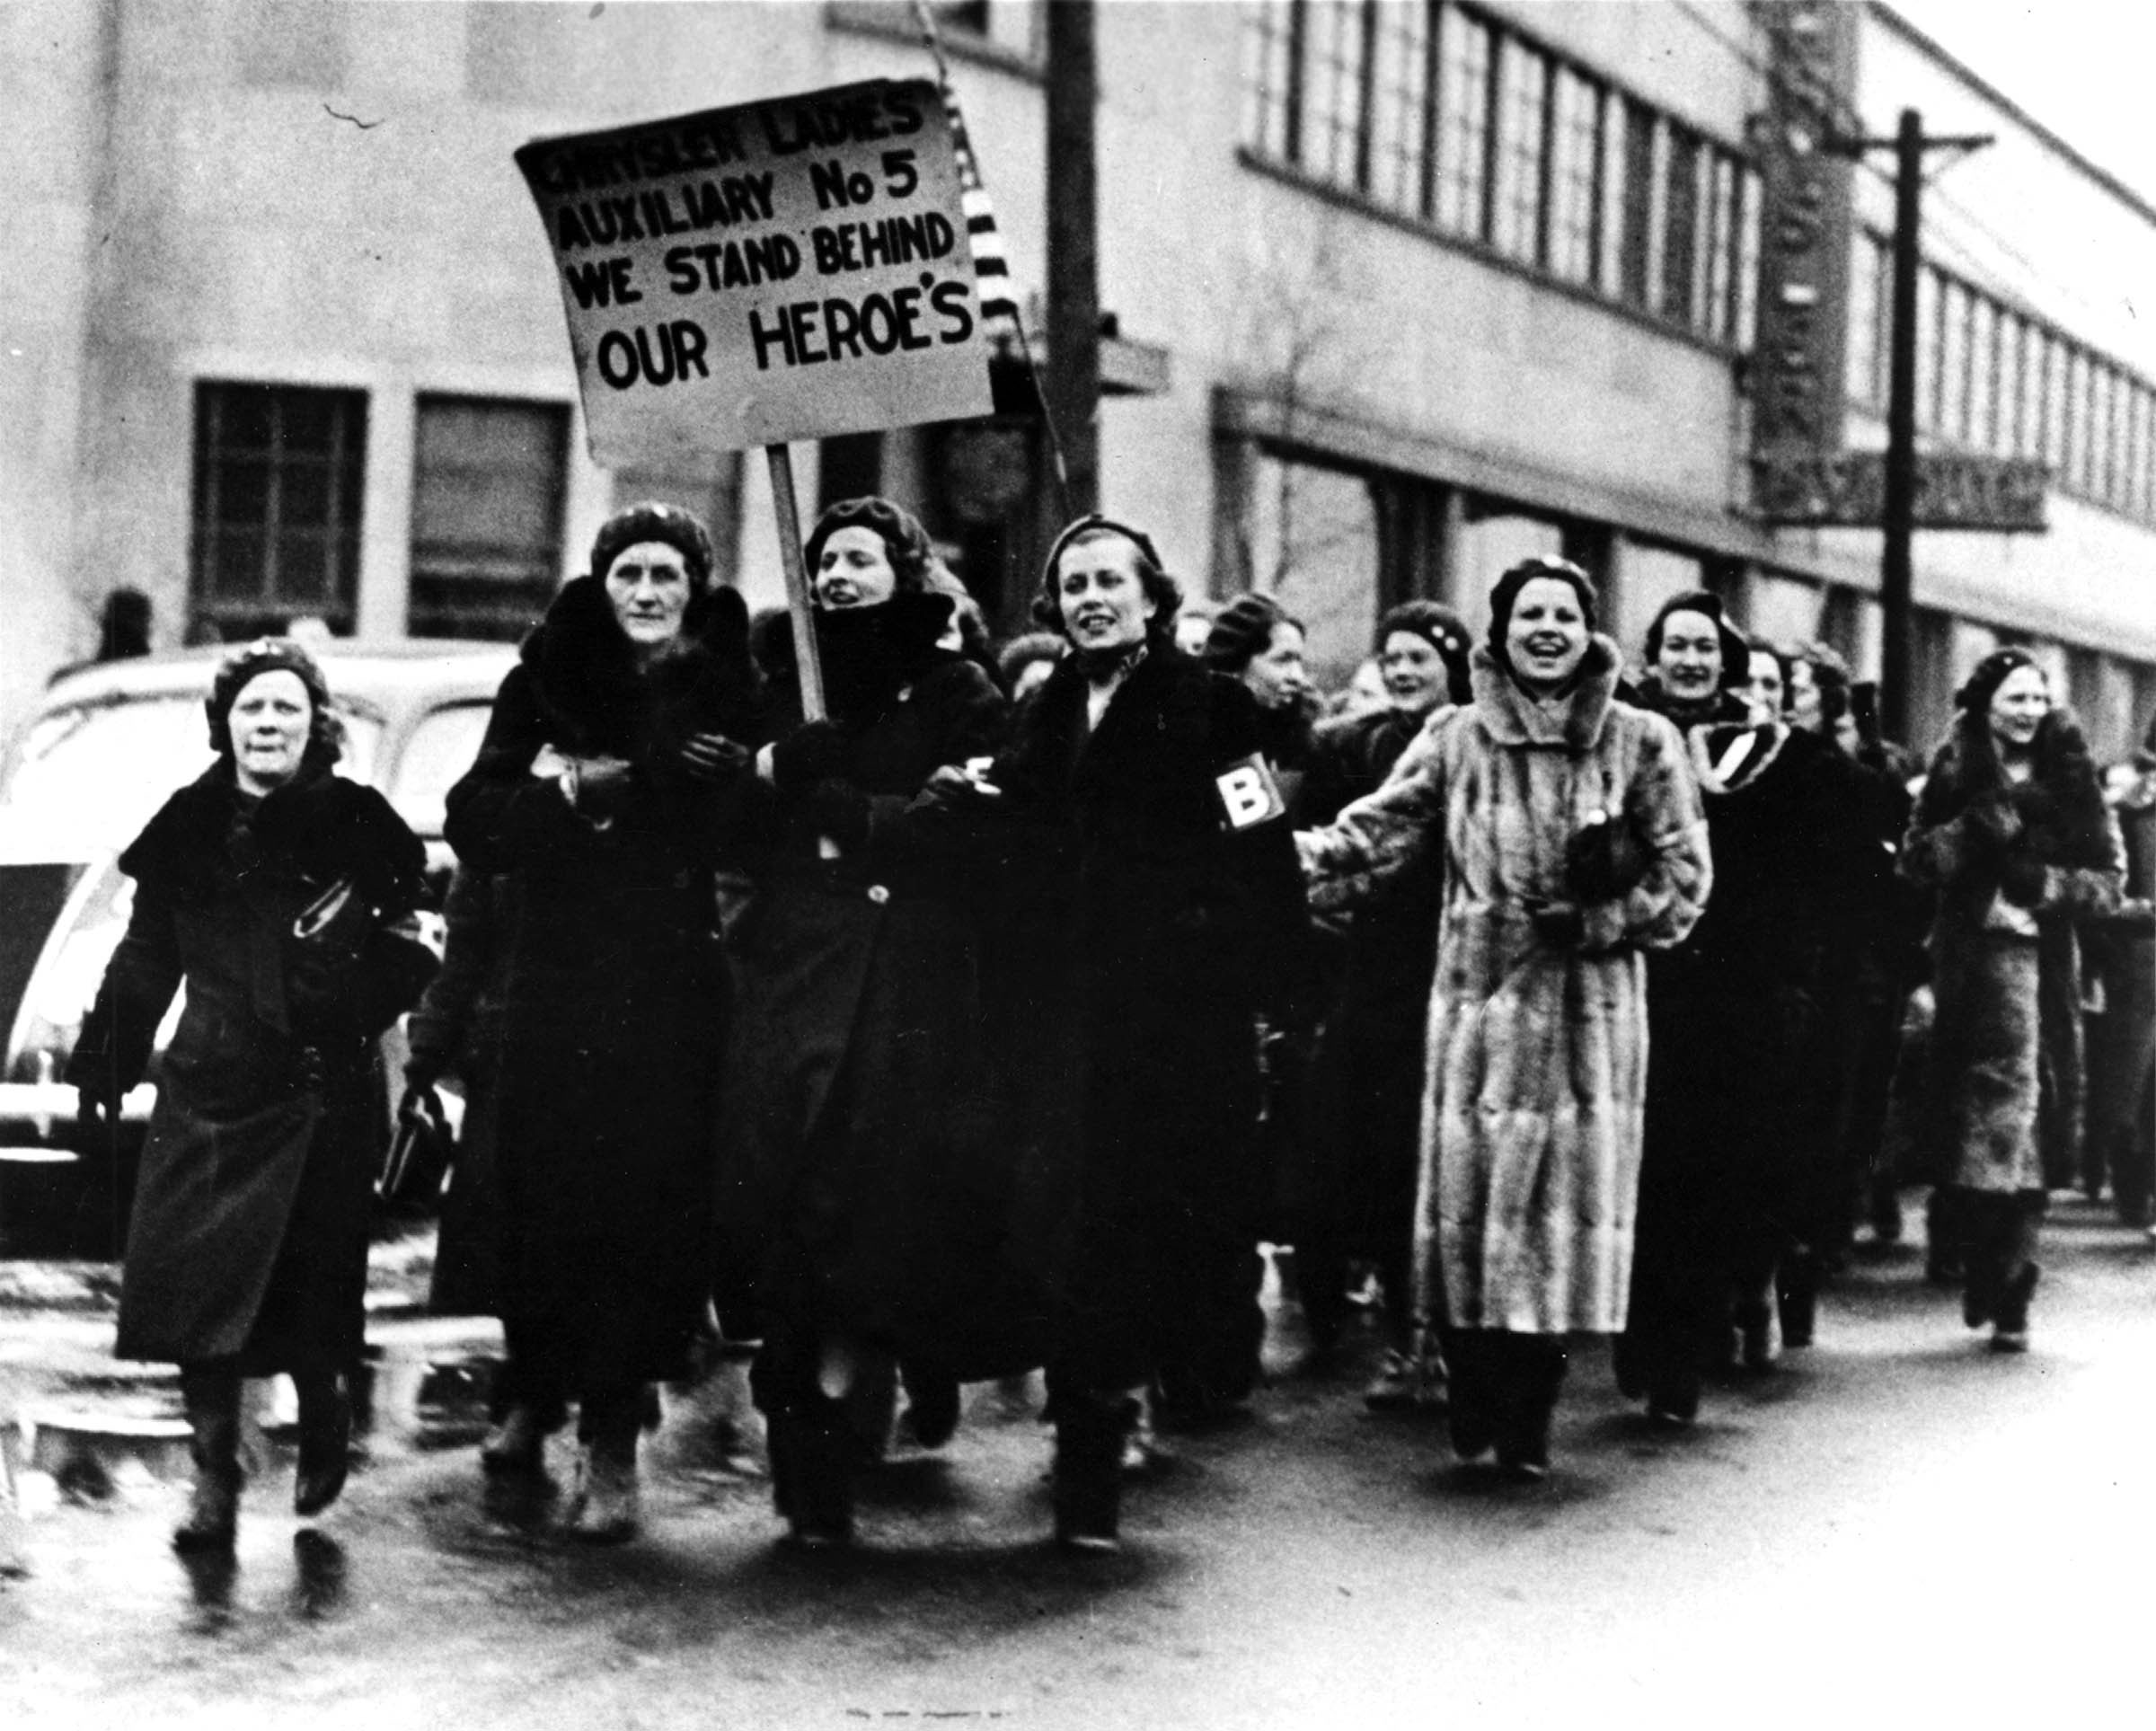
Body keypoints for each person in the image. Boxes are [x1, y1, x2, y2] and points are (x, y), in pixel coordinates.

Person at [921, 514, 1311, 1550]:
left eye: (1111, 580)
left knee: (1142, 1229)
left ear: (1152, 595)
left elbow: (1260, 845)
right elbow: (1017, 832)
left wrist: (1251, 975)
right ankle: (1091, 1425)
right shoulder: (1041, 707)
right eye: (1073, 582)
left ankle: (1105, 1419)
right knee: (1069, 1227)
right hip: (1056, 1020)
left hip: (1172, 1026)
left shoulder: (1215, 707)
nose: (1092, 596)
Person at [1298, 557, 1710, 1479]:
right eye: (1530, 615)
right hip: (1476, 1020)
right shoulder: (1455, 737)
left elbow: (1685, 881)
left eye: (1565, 614)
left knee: (1554, 1232)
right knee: (1467, 1217)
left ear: (1591, 628)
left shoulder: (1641, 740)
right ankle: (1473, 1377)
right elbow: (1382, 827)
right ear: (1502, 629)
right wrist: (1281, 857)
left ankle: (1530, 1411)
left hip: (1584, 1025)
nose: (1548, 629)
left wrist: (1604, 919)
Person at [67, 638, 434, 1553]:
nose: (268, 724)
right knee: (195, 1291)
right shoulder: (187, 824)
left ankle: (326, 1403)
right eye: (252, 709)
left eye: (287, 709)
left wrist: (344, 993)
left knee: (311, 1287)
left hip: (323, 1088)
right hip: (210, 1083)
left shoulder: (359, 820)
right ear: (225, 723)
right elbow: (147, 952)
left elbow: (415, 943)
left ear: (316, 726)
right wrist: (105, 1060)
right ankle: (214, 1476)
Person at [444, 501, 762, 1542]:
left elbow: (769, 828)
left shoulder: (731, 687)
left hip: (668, 990)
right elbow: (474, 815)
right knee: (547, 1206)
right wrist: (573, 791)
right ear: (601, 579)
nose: (647, 593)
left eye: (667, 574)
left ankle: (612, 1445)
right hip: (555, 983)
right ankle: (536, 1387)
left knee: (644, 1217)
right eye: (629, 573)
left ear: (695, 586)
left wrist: (744, 784)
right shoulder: (545, 678)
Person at [714, 496, 1008, 1550]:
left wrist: (862, 816)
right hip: (792, 976)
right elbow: (723, 821)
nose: (839, 574)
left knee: (864, 1207)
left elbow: (982, 820)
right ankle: (799, 1421)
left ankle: (836, 1422)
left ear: (905, 569)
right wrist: (779, 768)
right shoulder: (776, 684)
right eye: (824, 558)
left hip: (905, 987)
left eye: (861, 558)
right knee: (786, 1201)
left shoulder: (957, 686)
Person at [1618, 622, 1860, 1424]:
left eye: (1706, 648)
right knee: (1642, 1170)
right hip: (1637, 975)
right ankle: (1644, 1331)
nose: (1691, 660)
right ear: (1652, 658)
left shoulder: (1771, 756)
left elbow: (1833, 853)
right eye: (1675, 645)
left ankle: (1685, 1346)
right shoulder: (1620, 730)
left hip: (1736, 992)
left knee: (1707, 1171)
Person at [1901, 650, 2123, 1350]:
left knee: (2029, 1125)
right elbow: (1915, 862)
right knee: (1970, 1129)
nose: (2027, 711)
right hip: (1968, 971)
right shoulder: (1953, 769)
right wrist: (1976, 830)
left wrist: (2048, 885)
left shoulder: (2073, 776)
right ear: (1983, 703)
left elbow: (2108, 881)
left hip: (2041, 974)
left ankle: (2014, 1276)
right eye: (2013, 698)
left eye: (2038, 698)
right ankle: (1987, 1264)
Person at [1292, 601, 1472, 1407]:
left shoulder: (1473, 741)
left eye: (1419, 658)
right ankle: (1381, 1316)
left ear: (1453, 664)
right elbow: (1342, 836)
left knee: (1427, 1164)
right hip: (1371, 969)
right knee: (1359, 1151)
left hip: (1452, 970)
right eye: (1391, 657)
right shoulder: (1356, 743)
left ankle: (1429, 1340)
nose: (1401, 671)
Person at [1205, 593, 1319, 809]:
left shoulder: (1299, 741)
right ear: (1237, 664)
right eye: (1283, 660)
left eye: (1298, 661)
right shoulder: (1202, 735)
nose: (1298, 676)